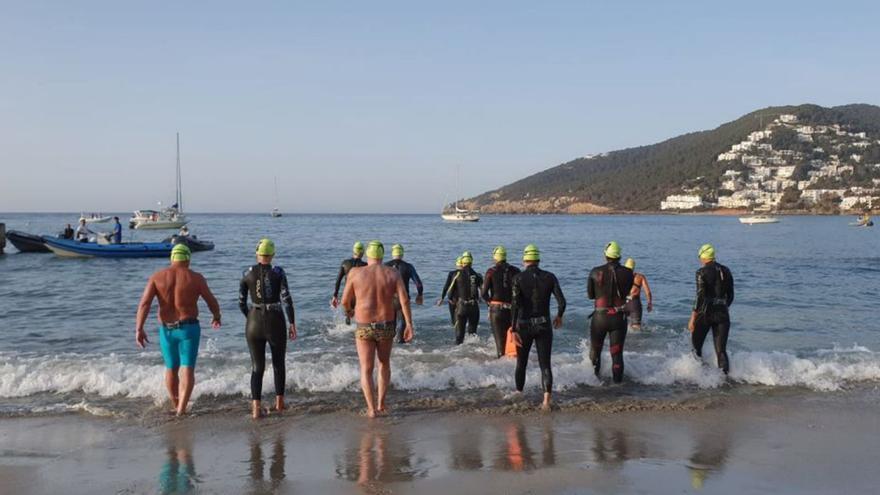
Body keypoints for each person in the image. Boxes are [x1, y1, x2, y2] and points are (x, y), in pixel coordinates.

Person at [135, 244, 222, 416]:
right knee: (187, 368)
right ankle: (181, 410)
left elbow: (144, 304)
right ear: (188, 259)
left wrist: (139, 328)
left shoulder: (157, 277)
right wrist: (216, 315)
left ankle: (176, 404)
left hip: (166, 331)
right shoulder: (196, 278)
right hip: (188, 329)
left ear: (172, 258)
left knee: (171, 368)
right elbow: (211, 300)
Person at [341, 241, 414, 418]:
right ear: (382, 256)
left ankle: (371, 409)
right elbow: (404, 300)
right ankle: (381, 404)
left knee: (366, 369)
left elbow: (345, 300)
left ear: (367, 255)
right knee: (384, 363)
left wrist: (350, 312)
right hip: (386, 325)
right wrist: (409, 324)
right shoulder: (392, 273)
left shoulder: (355, 273)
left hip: (364, 326)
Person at [239, 239, 297, 419]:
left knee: (257, 367)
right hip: (275, 320)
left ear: (257, 254)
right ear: (272, 255)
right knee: (279, 364)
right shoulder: (278, 272)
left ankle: (256, 408)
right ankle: (279, 403)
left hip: (253, 321)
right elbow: (286, 298)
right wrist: (292, 322)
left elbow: (241, 302)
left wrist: (251, 317)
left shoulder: (247, 273)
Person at [510, 244, 566, 410]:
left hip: (524, 325)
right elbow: (562, 302)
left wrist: (513, 329)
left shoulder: (518, 278)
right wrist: (559, 316)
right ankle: (546, 401)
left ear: (525, 260)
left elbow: (514, 305)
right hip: (543, 325)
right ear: (538, 260)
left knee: (521, 362)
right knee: (545, 365)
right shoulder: (550, 277)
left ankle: (519, 393)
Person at [587, 241, 634, 384]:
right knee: (617, 353)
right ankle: (617, 385)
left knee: (596, 351)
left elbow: (590, 295)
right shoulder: (628, 273)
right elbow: (626, 293)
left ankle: (595, 381)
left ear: (605, 255)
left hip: (600, 317)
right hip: (619, 317)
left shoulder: (595, 271)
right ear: (619, 256)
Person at [688, 244, 734, 374]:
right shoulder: (726, 270)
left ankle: (698, 377)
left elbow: (700, 297)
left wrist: (693, 318)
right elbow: (731, 295)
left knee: (696, 348)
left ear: (703, 256)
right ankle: (724, 380)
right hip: (722, 314)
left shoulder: (701, 272)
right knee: (721, 351)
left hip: (705, 314)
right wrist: (724, 307)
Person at [482, 245, 521, 358]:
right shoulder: (516, 270)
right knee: (514, 346)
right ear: (505, 257)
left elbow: (484, 294)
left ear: (495, 257)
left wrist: (490, 304)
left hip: (496, 310)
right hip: (512, 310)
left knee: (500, 347)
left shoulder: (491, 271)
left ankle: (500, 370)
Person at [384, 244, 424, 343]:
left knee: (390, 326)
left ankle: (391, 349)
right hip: (403, 299)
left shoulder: (385, 266)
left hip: (388, 300)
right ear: (402, 254)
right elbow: (418, 284)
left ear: (392, 253)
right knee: (403, 323)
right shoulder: (408, 266)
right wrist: (420, 295)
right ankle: (401, 344)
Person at [446, 251, 483, 344]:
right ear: (472, 262)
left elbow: (449, 293)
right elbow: (483, 292)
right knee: (472, 335)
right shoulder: (478, 275)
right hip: (474, 307)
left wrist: (453, 302)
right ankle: (472, 355)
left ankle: (458, 355)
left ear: (462, 263)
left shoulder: (457, 274)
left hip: (461, 307)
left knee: (459, 336)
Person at [331, 241, 367, 325]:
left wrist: (335, 295)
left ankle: (347, 332)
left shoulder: (345, 263)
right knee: (360, 318)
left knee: (348, 317)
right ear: (362, 252)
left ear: (353, 251)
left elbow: (338, 280)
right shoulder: (365, 265)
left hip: (347, 295)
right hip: (359, 295)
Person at [623, 258, 653, 331]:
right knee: (636, 329)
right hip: (635, 304)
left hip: (623, 303)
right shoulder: (640, 277)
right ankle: (638, 342)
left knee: (622, 327)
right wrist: (649, 303)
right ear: (633, 267)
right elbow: (648, 292)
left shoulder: (621, 276)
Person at [437, 256, 464, 326]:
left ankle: (456, 331)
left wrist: (442, 298)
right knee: (463, 320)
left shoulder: (452, 274)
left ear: (456, 264)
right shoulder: (468, 274)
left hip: (453, 300)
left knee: (454, 320)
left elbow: (446, 286)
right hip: (463, 300)